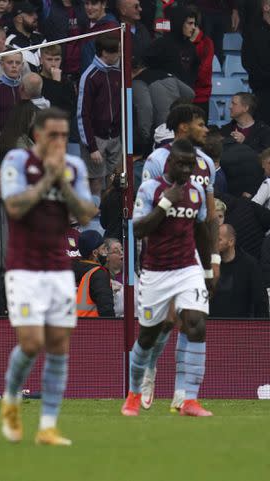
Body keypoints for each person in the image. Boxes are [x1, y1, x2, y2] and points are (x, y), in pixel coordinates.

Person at [0, 107, 97, 446]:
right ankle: (11, 400)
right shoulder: (16, 161)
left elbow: (86, 214)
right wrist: (45, 181)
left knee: (58, 345)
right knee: (31, 342)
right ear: (38, 134)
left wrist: (63, 186)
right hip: (23, 268)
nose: (59, 141)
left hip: (59, 269)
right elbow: (14, 207)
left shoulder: (74, 167)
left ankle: (48, 426)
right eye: (53, 135)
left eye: (64, 135)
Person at [123, 139, 213, 417]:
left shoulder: (197, 192)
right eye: (181, 164)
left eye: (191, 165)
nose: (186, 169)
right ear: (169, 164)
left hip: (188, 269)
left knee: (196, 324)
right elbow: (138, 230)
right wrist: (164, 204)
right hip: (156, 272)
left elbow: (202, 231)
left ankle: (189, 400)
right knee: (148, 337)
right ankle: (134, 393)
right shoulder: (151, 188)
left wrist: (208, 269)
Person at [139, 104, 219, 412]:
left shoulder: (207, 164)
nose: (206, 129)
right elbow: (146, 208)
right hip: (160, 254)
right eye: (200, 124)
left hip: (193, 252)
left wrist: (214, 259)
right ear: (183, 127)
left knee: (193, 321)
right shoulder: (157, 160)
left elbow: (209, 217)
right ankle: (148, 368)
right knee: (165, 323)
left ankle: (184, 394)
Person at [77, 33, 122, 195]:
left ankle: (110, 211)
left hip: (115, 137)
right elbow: (82, 114)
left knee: (115, 178)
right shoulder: (89, 76)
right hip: (95, 138)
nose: (120, 55)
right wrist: (91, 147)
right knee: (95, 179)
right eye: (117, 51)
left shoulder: (117, 73)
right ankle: (95, 216)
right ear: (104, 53)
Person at [210, 223, 269, 318]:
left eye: (219, 240)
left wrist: (261, 328)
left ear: (231, 241)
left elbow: (260, 300)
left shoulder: (249, 265)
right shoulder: (210, 264)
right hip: (213, 324)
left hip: (240, 326)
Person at [73, 230, 115, 317]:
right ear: (95, 253)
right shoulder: (98, 274)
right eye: (103, 249)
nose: (106, 253)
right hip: (93, 327)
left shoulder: (74, 269)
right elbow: (106, 309)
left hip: (74, 326)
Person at [5, 2, 45, 71]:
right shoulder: (9, 42)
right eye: (31, 14)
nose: (36, 16)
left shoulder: (41, 38)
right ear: (19, 19)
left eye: (35, 13)